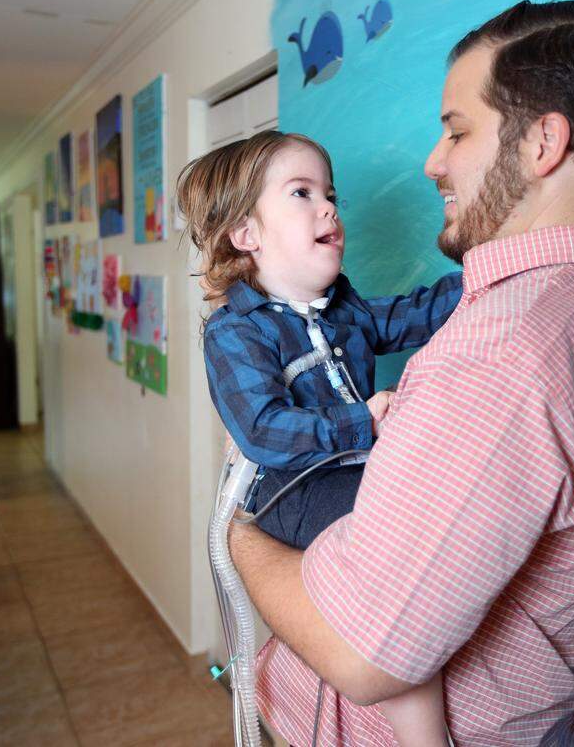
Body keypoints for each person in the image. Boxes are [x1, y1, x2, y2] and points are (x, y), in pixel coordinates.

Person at [228, 0, 574, 746]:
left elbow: (362, 652)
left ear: (543, 143)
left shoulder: (506, 353)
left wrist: (241, 536)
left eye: (458, 130)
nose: (433, 160)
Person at [178, 130, 462, 746]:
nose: (329, 208)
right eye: (301, 194)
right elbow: (262, 429)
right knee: (393, 594)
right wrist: (365, 420)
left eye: (329, 194)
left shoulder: (342, 308)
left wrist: (489, 267)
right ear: (246, 234)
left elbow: (413, 314)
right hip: (293, 487)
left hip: (354, 469)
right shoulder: (235, 333)